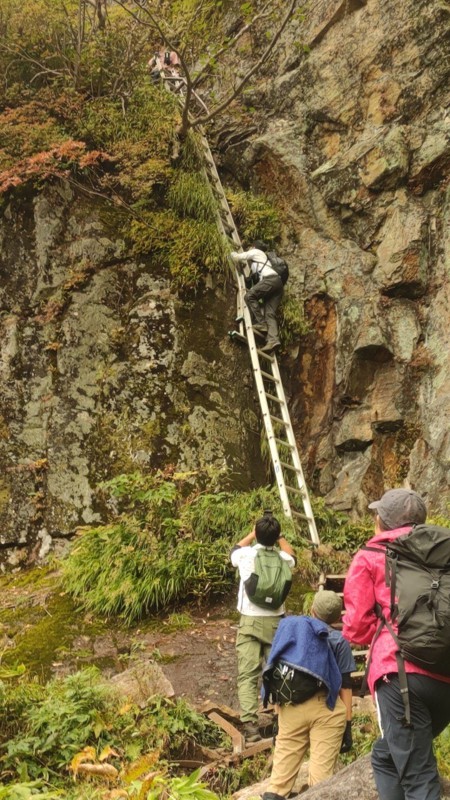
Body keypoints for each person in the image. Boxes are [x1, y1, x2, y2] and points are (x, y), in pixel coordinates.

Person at [343, 488, 450, 800]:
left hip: (400, 676)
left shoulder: (371, 556)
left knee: (419, 779)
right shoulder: (443, 556)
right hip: (444, 674)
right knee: (386, 756)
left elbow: (357, 629)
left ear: (383, 522)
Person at [261, 591, 355, 800]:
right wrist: (347, 725)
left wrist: (278, 716)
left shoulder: (292, 632)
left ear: (312, 610)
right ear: (338, 618)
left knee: (278, 784)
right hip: (326, 711)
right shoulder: (339, 641)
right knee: (320, 784)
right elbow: (345, 687)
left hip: (291, 709)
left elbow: (278, 673)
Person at [230, 514, 296, 743]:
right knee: (278, 673)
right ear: (276, 537)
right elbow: (292, 555)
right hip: (276, 624)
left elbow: (235, 549)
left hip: (249, 621)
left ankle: (250, 726)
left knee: (248, 674)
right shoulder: (283, 558)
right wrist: (281, 537)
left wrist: (253, 533)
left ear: (257, 534)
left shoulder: (246, 555)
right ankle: (282, 722)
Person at [230, 240, 283, 353]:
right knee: (269, 313)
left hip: (270, 280)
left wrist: (232, 254)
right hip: (278, 284)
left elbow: (239, 257)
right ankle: (273, 340)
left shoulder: (257, 252)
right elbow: (252, 280)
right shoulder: (261, 262)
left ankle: (261, 324)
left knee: (249, 297)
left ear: (253, 247)